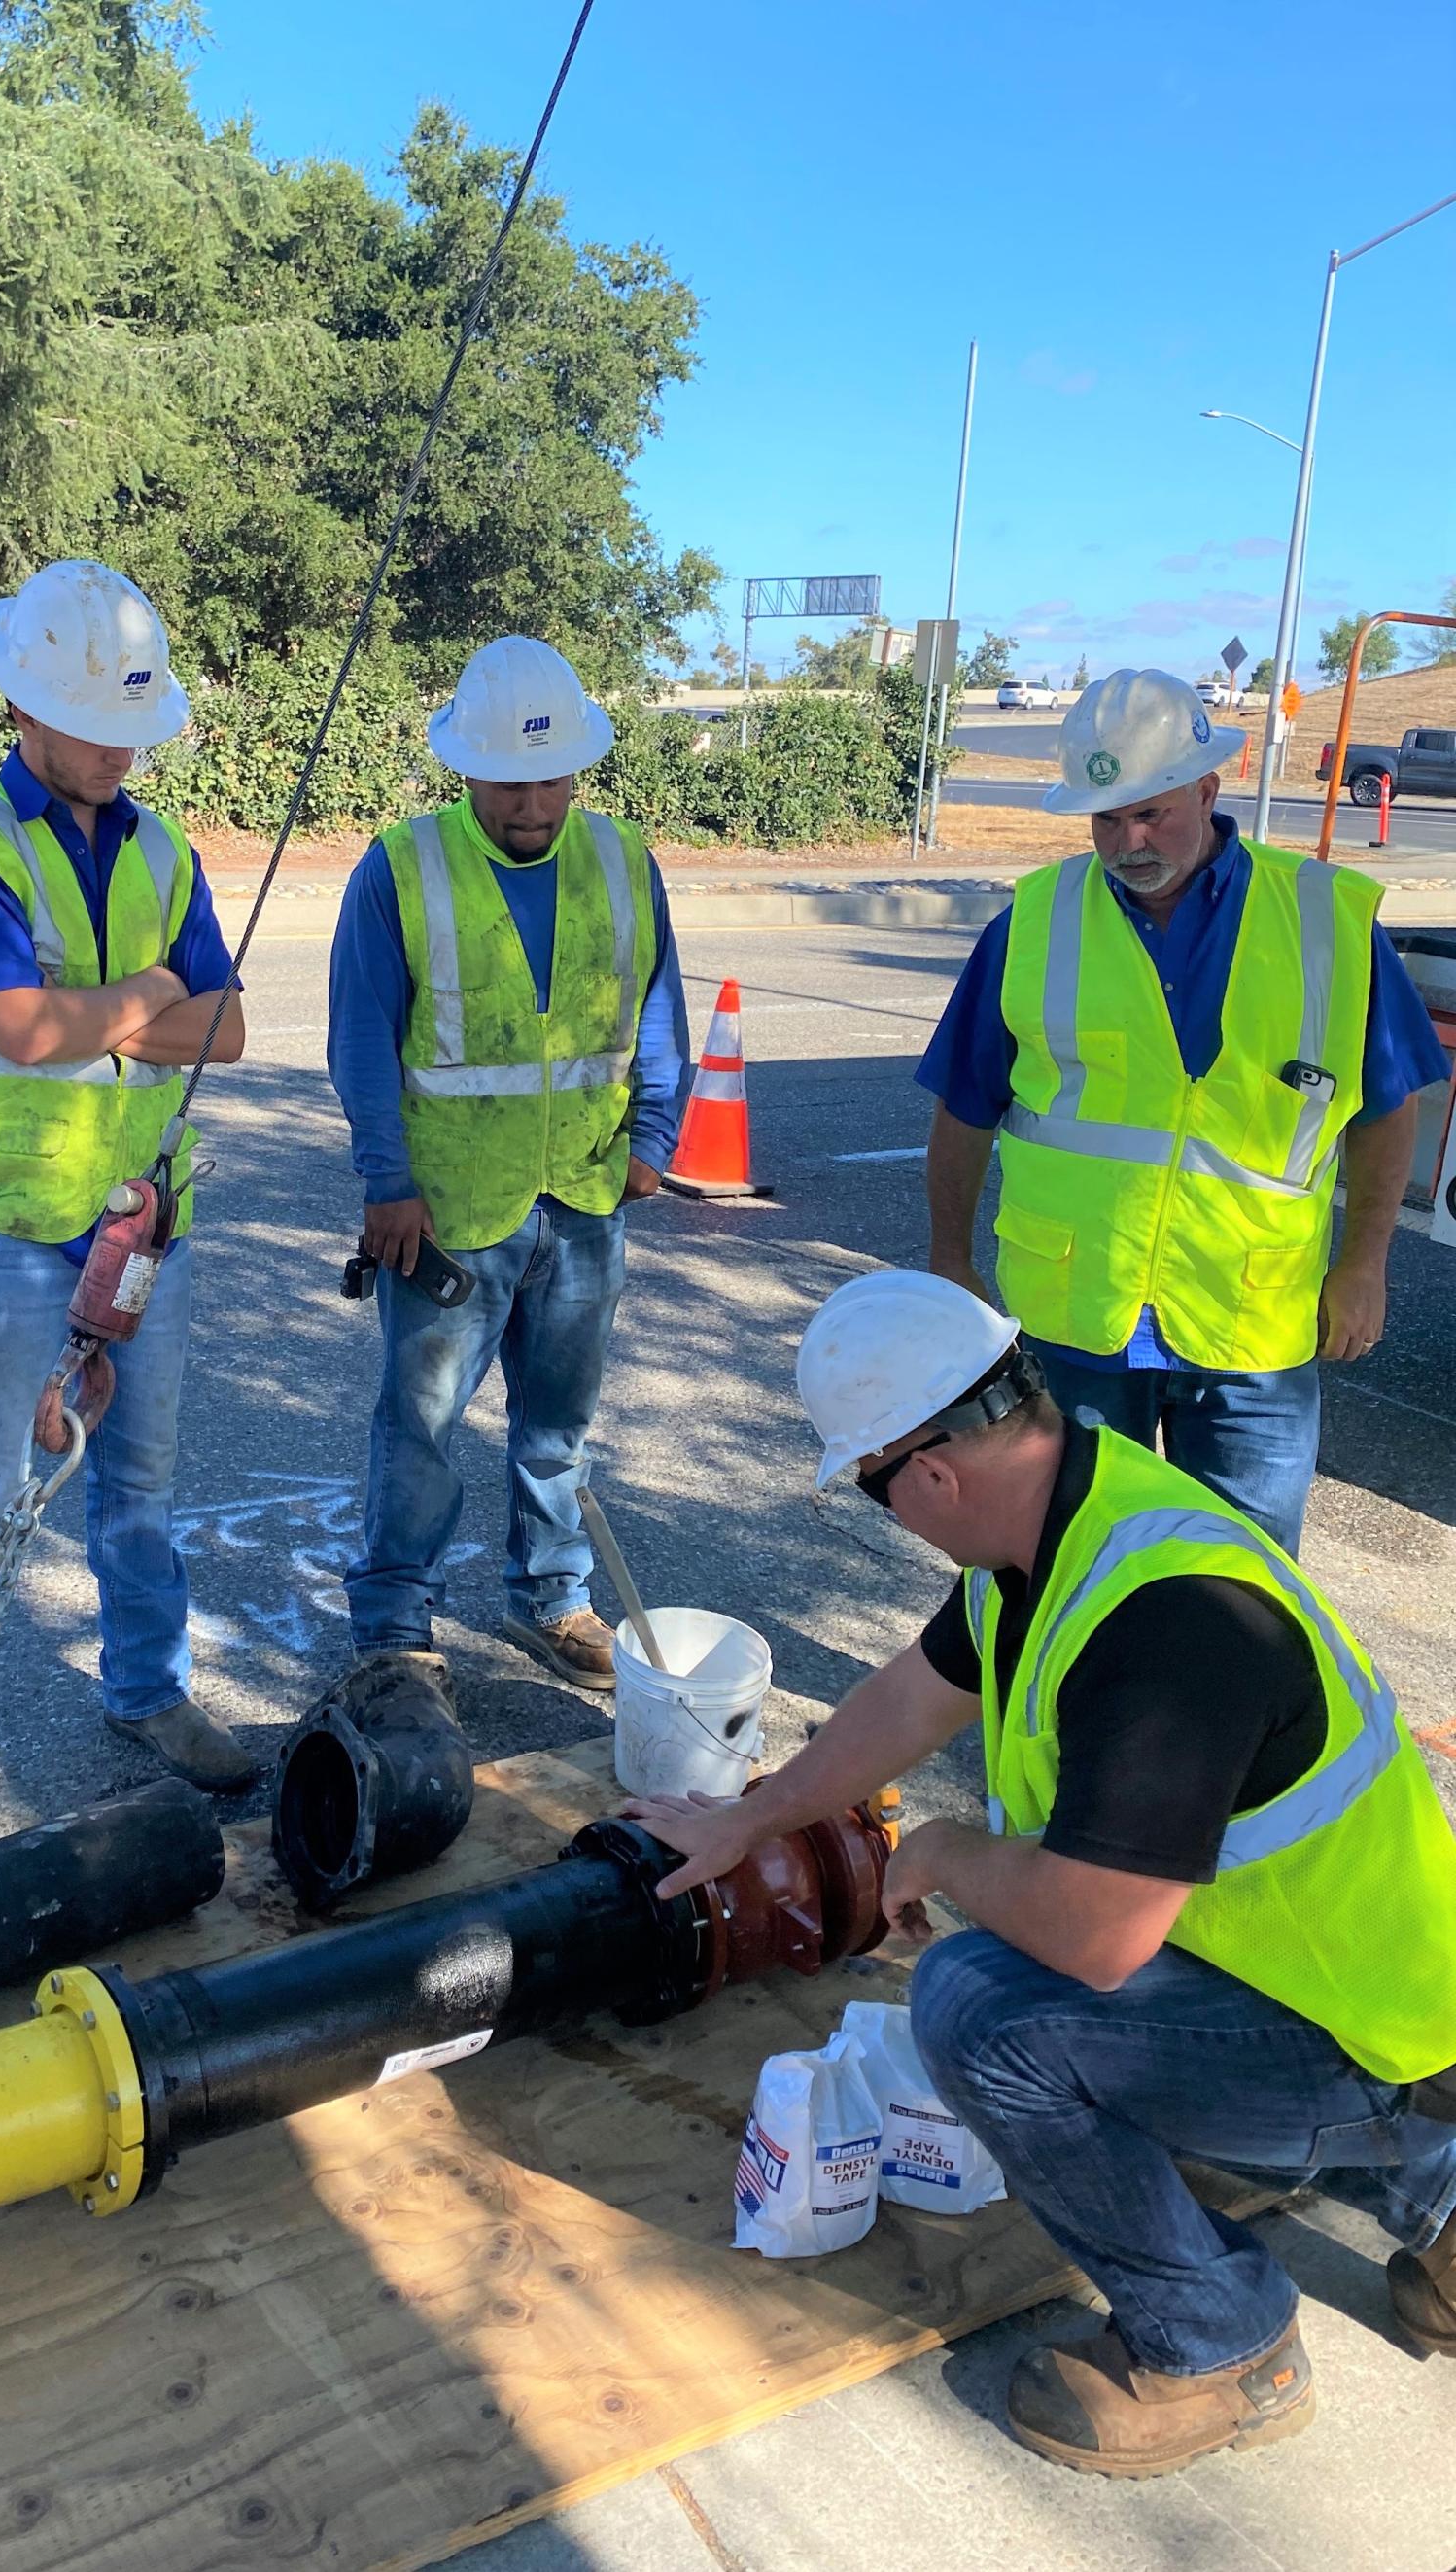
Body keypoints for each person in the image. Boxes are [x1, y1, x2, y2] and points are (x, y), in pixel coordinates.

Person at [629, 1269, 1456, 2479]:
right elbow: (914, 1693)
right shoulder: (1070, 1521)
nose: (892, 1518)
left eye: (871, 1494)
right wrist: (757, 1817)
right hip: (1377, 1986)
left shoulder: (1166, 1622)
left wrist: (945, 1855)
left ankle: (1220, 2344)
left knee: (981, 2007)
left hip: (1377, 2038)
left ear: (930, 1473)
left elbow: (1093, 1937)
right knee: (1016, 1944)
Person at [0, 559, 257, 1851]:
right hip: (0, 1225)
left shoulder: (166, 849)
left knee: (138, 1486)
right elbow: (28, 1031)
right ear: (25, 706)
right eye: (95, 723)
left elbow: (237, 1032)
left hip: (143, 1224)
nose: (118, 750)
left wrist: (132, 1008)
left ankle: (146, 1693)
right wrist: (153, 993)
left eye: (133, 726)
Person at [919, 667, 1445, 1556]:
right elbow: (966, 1106)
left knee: (1243, 1583)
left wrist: (1365, 1265)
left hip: (1253, 1326)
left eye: (1151, 811)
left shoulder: (1326, 919)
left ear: (1209, 788)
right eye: (1105, 817)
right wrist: (948, 1261)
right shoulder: (1036, 921)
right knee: (1067, 1561)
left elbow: (1384, 1109)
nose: (1128, 840)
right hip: (1080, 1316)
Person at [328, 634, 689, 1694]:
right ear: (465, 767)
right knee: (422, 1428)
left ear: (577, 766)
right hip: (446, 1208)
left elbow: (656, 1006)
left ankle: (549, 1599)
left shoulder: (624, 862)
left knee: (559, 1427)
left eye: (550, 777)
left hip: (582, 1195)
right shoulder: (403, 867)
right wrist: (386, 1180)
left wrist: (652, 1139)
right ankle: (395, 1624)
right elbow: (360, 1035)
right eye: (507, 780)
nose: (531, 803)